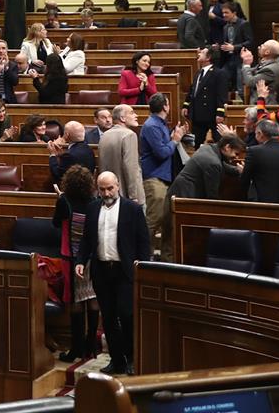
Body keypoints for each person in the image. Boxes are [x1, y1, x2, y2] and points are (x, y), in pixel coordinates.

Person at [74, 170, 150, 375]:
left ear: (118, 186)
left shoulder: (132, 209)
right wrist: (81, 261)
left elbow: (144, 241)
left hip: (124, 271)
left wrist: (141, 265)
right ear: (97, 190)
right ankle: (117, 361)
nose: (107, 193)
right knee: (107, 318)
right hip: (101, 271)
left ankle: (132, 358)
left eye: (110, 188)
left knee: (126, 315)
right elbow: (86, 239)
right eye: (102, 189)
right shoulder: (92, 208)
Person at [54, 166, 100, 361]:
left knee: (75, 300)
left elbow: (56, 223)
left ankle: (76, 348)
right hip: (91, 256)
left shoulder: (64, 201)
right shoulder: (94, 201)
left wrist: (59, 198)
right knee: (92, 297)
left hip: (71, 256)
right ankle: (91, 346)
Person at [138, 93, 188, 251]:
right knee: (154, 219)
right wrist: (175, 140)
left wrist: (173, 137)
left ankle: (165, 259)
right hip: (155, 178)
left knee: (167, 221)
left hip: (164, 178)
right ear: (165, 106)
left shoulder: (160, 124)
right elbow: (161, 153)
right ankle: (142, 255)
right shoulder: (152, 125)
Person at [240, 119, 279, 204]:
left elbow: (245, 180)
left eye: (256, 133)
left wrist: (243, 171)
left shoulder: (254, 151)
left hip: (262, 204)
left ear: (260, 134)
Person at [181, 46, 228, 146]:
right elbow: (192, 91)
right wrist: (186, 105)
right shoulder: (198, 72)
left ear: (208, 57)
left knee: (219, 143)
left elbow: (222, 94)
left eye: (202, 53)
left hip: (212, 114)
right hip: (198, 114)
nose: (199, 54)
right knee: (197, 143)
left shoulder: (219, 73)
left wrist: (220, 113)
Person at [98, 105, 144, 206]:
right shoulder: (129, 135)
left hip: (109, 195)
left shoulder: (104, 135)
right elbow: (131, 168)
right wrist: (134, 196)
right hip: (127, 197)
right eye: (132, 113)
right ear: (122, 118)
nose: (136, 115)